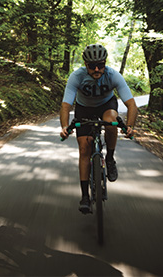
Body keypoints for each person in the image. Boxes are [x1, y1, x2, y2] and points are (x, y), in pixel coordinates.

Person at [60, 44, 138, 214]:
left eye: (100, 65)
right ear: (85, 64)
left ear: (105, 63)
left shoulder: (113, 75)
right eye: (92, 65)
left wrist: (130, 126)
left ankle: (110, 159)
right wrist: (65, 126)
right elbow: (66, 105)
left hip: (106, 105)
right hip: (84, 108)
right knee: (84, 148)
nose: (97, 69)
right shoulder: (76, 76)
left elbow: (131, 104)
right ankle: (85, 197)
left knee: (111, 121)